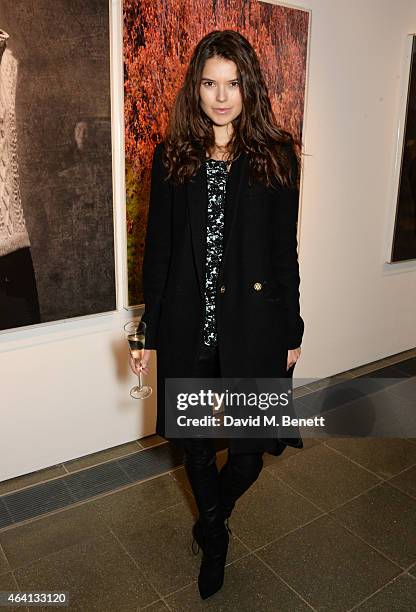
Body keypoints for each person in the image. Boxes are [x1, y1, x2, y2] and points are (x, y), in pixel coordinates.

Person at [129, 29, 305, 600]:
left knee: (251, 454)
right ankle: (218, 539)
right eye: (209, 82)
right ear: (196, 88)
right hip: (187, 331)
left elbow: (284, 253)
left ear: (248, 87)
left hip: (254, 329)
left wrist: (293, 327)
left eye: (232, 83)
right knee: (197, 446)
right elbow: (157, 251)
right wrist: (146, 332)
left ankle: (210, 518)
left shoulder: (276, 157)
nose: (220, 96)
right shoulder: (173, 156)